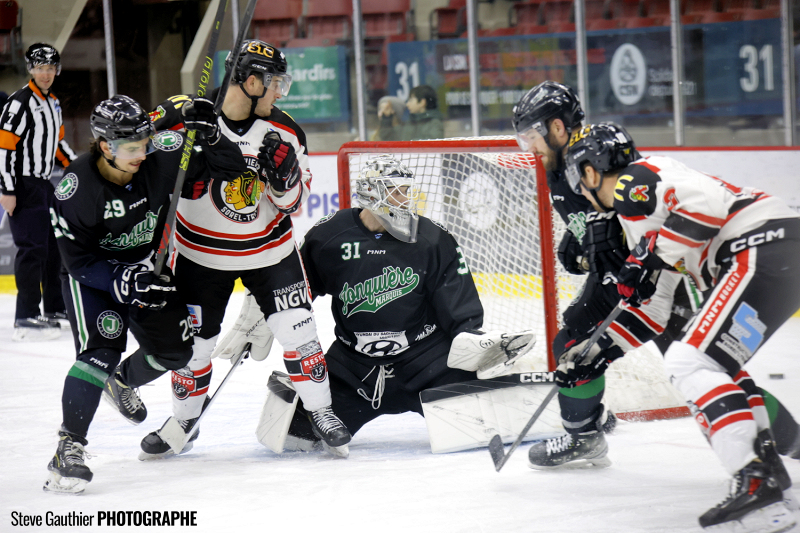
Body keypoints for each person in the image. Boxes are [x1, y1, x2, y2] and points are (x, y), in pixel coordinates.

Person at [512, 80, 800, 471]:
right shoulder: (563, 170)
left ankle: (779, 449)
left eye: (531, 136)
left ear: (557, 128)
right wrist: (580, 243)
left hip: (669, 275)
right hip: (631, 279)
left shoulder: (598, 160)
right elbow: (605, 228)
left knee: (707, 369)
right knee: (580, 345)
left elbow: (658, 214)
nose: (528, 147)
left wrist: (644, 256)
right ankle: (585, 436)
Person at [565, 122, 800, 532]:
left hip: (761, 247)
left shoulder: (633, 182)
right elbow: (654, 310)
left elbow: (706, 208)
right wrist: (599, 352)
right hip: (779, 253)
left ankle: (754, 479)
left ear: (590, 171)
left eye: (578, 179)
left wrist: (648, 257)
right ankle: (767, 473)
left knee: (690, 362)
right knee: (719, 366)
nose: (582, 192)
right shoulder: (643, 207)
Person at [216, 155, 536, 452]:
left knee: (492, 420)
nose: (404, 199)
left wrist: (472, 339)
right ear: (371, 192)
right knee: (292, 436)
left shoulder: (431, 239)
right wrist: (268, 313)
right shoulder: (329, 237)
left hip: (425, 363)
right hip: (353, 369)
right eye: (395, 191)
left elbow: (459, 306)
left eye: (406, 191)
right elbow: (293, 287)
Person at [138, 39, 351, 459]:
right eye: (275, 84)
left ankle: (321, 411)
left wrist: (285, 179)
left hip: (271, 254)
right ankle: (184, 421)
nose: (280, 94)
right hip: (200, 257)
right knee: (194, 348)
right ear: (251, 82)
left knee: (300, 333)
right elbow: (136, 153)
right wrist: (174, 131)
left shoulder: (286, 130)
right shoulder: (189, 117)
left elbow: (293, 204)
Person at [42, 94, 248, 494]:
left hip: (147, 269)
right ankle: (68, 448)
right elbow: (77, 262)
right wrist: (122, 280)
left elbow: (232, 169)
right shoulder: (75, 189)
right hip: (94, 277)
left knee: (176, 352)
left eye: (145, 143)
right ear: (106, 147)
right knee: (100, 352)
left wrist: (212, 135)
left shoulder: (162, 153)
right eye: (131, 148)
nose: (142, 154)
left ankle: (121, 381)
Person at [0, 43, 76, 341]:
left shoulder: (53, 102)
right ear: (31, 69)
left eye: (50, 68)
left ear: (57, 70)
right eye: (40, 68)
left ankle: (54, 307)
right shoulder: (19, 103)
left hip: (44, 184)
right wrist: (7, 189)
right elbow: (5, 148)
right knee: (31, 250)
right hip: (22, 184)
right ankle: (26, 314)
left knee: (53, 248)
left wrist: (78, 167)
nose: (46, 73)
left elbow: (57, 145)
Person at [376, 85, 444, 141]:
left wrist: (409, 144)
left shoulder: (434, 124)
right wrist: (386, 118)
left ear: (422, 102)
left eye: (411, 100)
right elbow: (389, 138)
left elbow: (432, 144)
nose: (407, 104)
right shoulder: (408, 124)